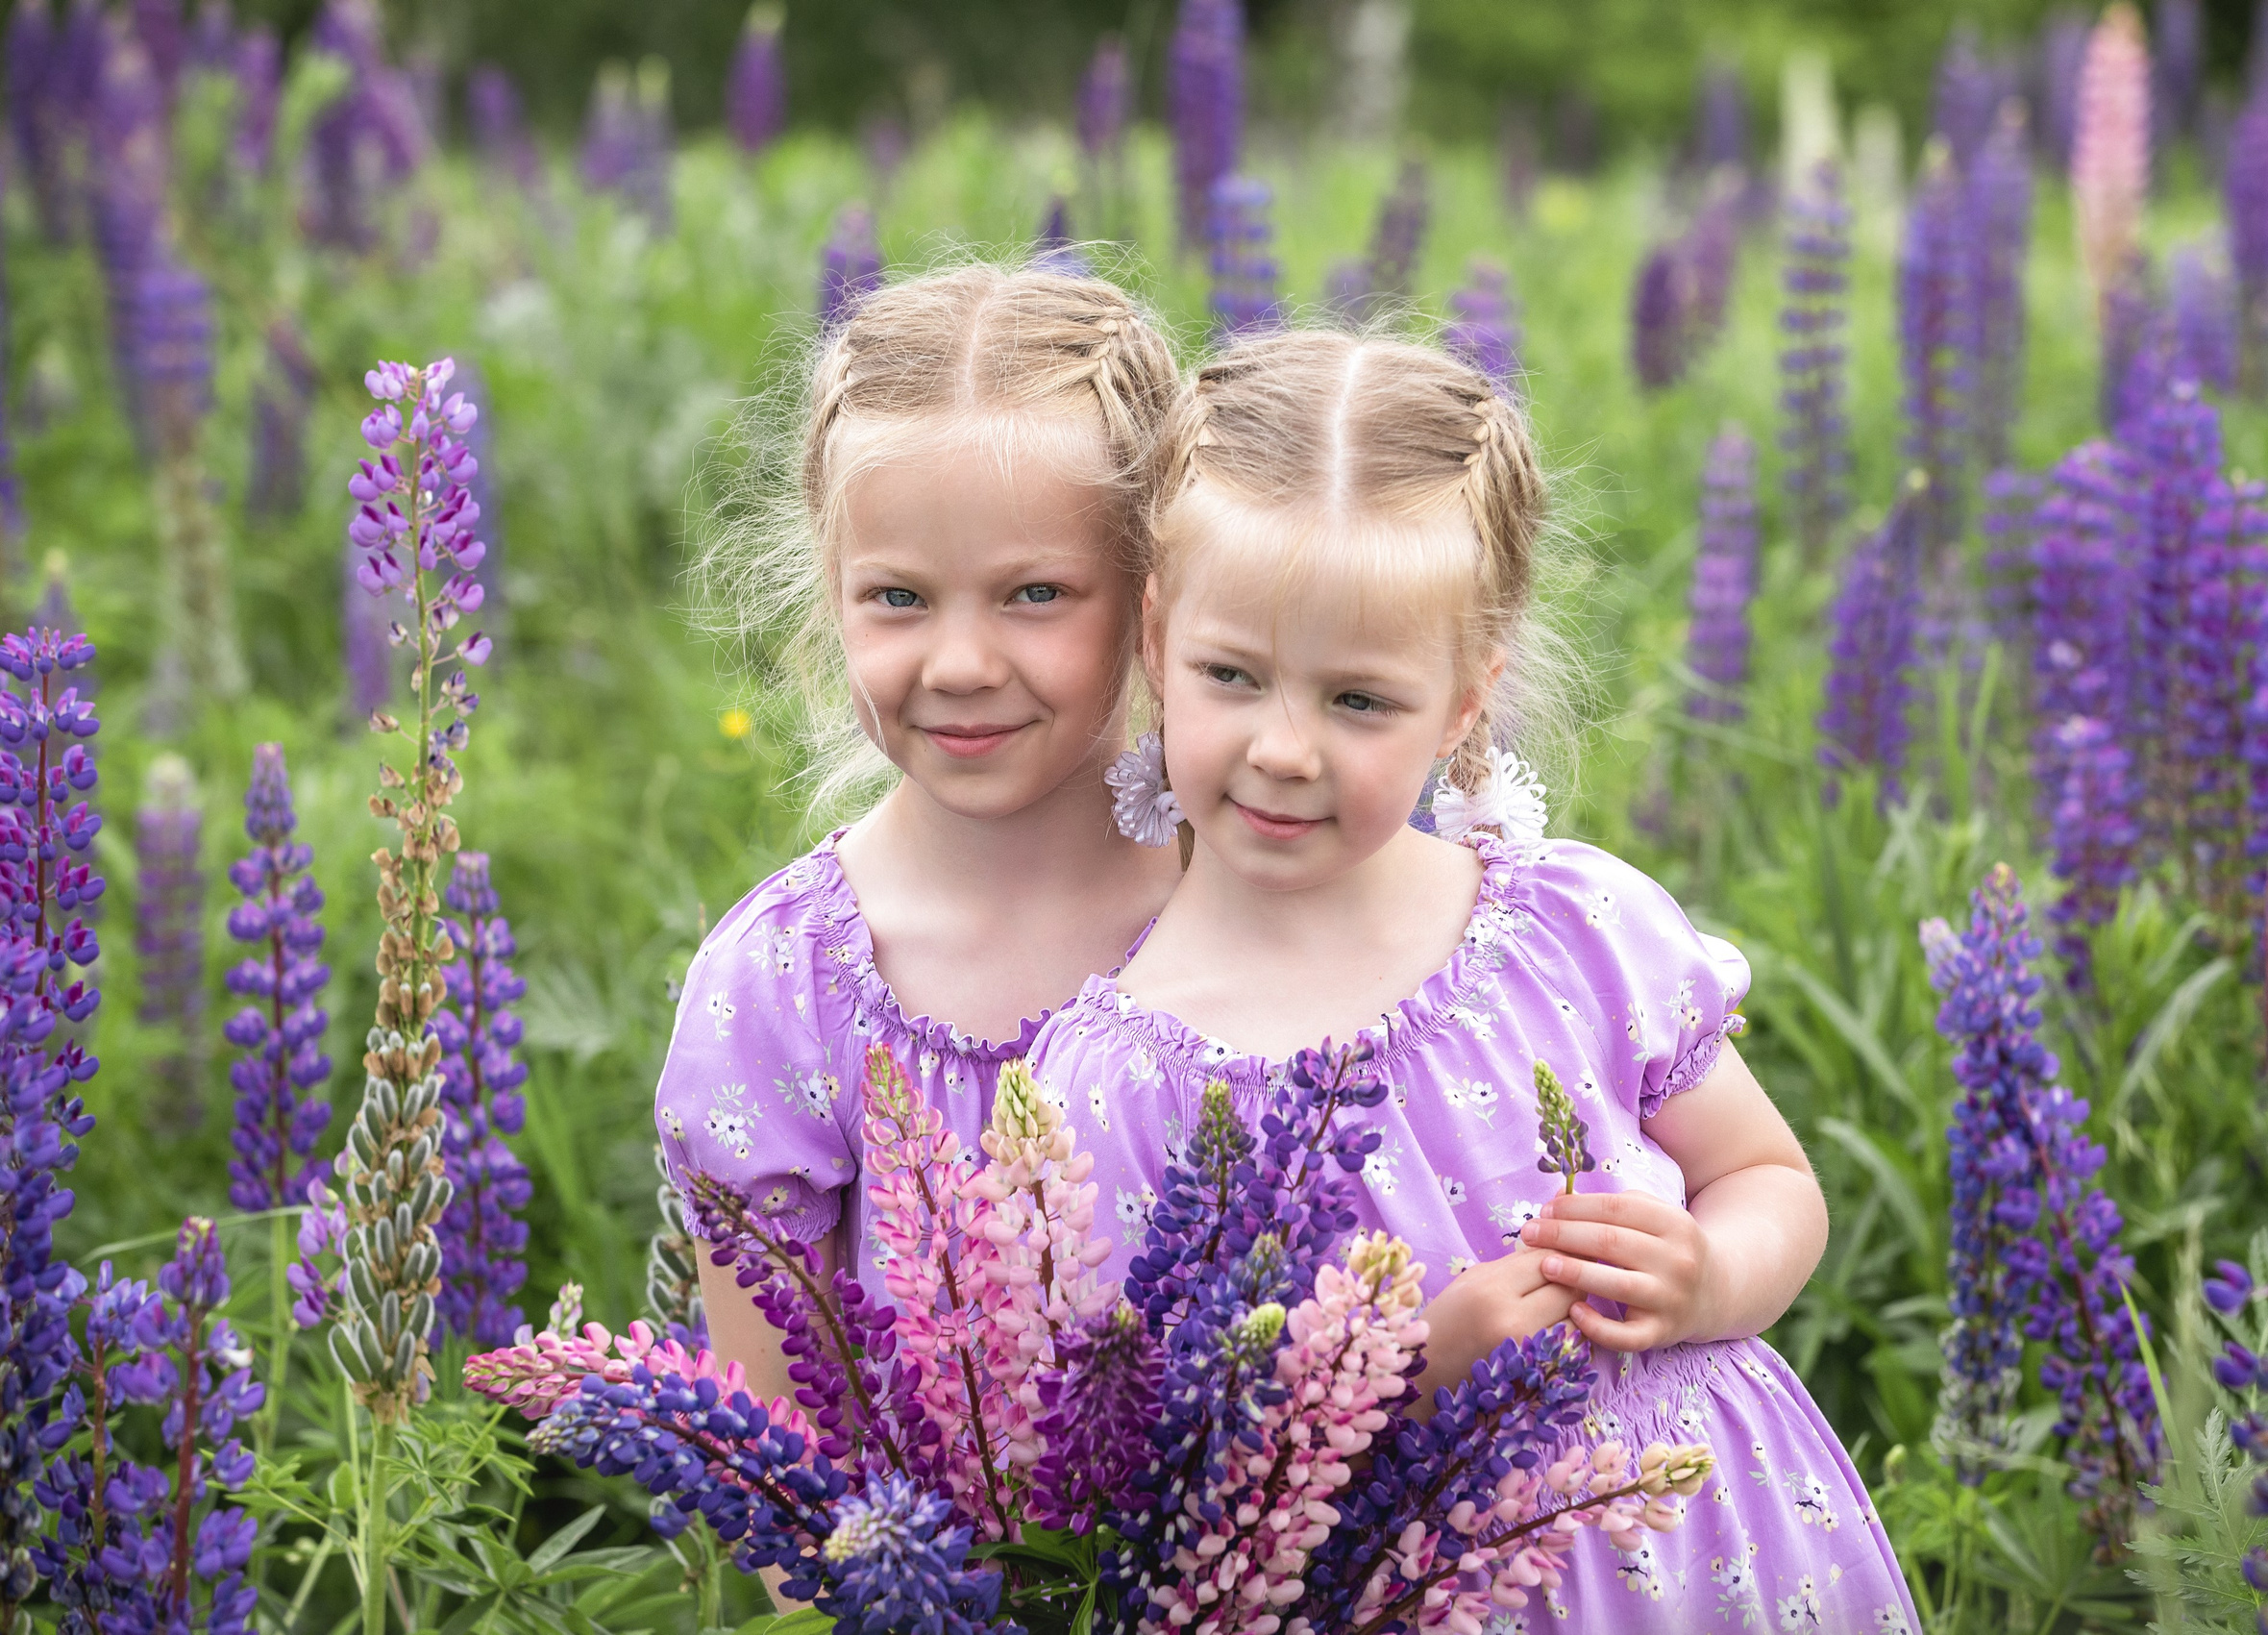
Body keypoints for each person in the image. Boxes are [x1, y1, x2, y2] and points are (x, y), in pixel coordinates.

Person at [1027, 329, 1917, 1632]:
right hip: (1411, 1583)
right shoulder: (1118, 1078)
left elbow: (1768, 1177)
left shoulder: (1568, 930)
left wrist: (1709, 1279)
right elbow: (1138, 1458)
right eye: (1233, 676)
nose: (1285, 749)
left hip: (1706, 1550)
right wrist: (1402, 1370)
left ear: (1464, 704)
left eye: (1360, 701)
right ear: (1156, 644)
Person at [651, 262, 1184, 1473]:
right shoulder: (785, 986)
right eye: (897, 597)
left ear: (1158, 595)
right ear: (829, 597)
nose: (957, 662)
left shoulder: (1263, 895)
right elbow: (785, 1477)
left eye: (1034, 593)